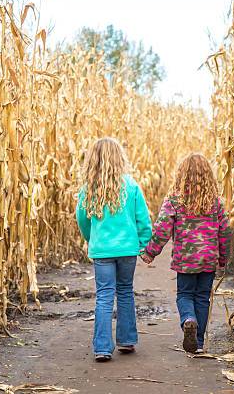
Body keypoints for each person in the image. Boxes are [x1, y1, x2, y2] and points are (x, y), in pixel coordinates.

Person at [140, 153, 231, 354]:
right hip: (208, 259)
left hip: (185, 259)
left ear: (181, 175)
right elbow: (225, 231)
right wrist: (223, 258)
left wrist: (150, 252)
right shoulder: (215, 202)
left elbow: (162, 227)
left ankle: (188, 320)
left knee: (185, 295)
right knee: (202, 298)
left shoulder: (174, 199)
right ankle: (198, 343)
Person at [76, 137, 152, 362]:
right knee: (126, 291)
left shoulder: (89, 188)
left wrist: (92, 238)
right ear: (119, 158)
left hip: (103, 251)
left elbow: (82, 218)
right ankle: (127, 340)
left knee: (104, 295)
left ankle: (102, 347)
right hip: (127, 249)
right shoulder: (131, 185)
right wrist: (143, 244)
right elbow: (143, 219)